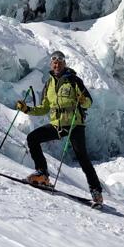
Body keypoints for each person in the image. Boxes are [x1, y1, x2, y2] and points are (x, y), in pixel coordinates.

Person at [16, 50, 103, 206]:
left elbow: (89, 102)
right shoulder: (49, 84)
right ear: (51, 64)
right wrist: (26, 109)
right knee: (32, 138)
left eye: (60, 62)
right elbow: (43, 108)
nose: (57, 65)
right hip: (57, 125)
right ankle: (42, 174)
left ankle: (96, 192)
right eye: (54, 62)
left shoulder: (74, 81)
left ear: (64, 64)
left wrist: (83, 101)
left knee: (82, 158)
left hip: (74, 124)